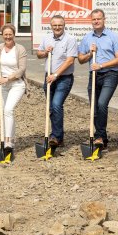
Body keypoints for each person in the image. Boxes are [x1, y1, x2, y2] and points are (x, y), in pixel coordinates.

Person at [77, 9, 118, 148]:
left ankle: (99, 136)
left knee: (102, 104)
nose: (96, 21)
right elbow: (80, 59)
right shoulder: (87, 38)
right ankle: (101, 138)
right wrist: (90, 54)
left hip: (110, 74)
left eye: (99, 19)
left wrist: (101, 65)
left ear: (104, 19)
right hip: (93, 75)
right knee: (94, 108)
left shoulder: (113, 36)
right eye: (94, 19)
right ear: (91, 21)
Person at [36, 15, 77, 148]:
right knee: (51, 108)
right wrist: (45, 52)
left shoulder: (70, 39)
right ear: (51, 26)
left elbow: (70, 60)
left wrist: (56, 74)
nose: (57, 27)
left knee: (56, 104)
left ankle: (56, 137)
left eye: (60, 25)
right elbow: (38, 54)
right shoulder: (46, 38)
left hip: (64, 78)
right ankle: (56, 135)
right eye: (55, 25)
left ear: (64, 26)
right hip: (48, 77)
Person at [0, 24, 28, 154]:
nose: (8, 37)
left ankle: (8, 142)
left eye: (10, 34)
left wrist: (8, 78)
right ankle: (8, 139)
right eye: (5, 34)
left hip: (16, 84)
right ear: (2, 35)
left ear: (14, 35)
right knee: (5, 112)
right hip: (3, 85)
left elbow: (21, 69)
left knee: (8, 109)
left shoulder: (20, 49)